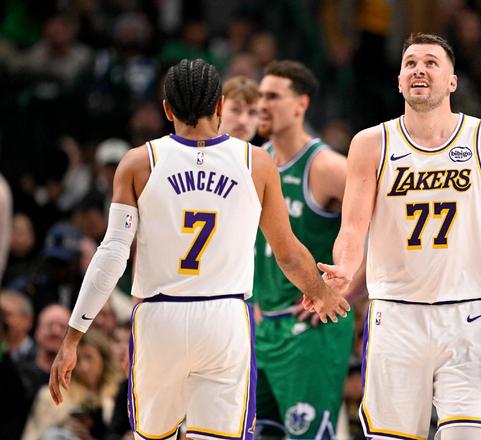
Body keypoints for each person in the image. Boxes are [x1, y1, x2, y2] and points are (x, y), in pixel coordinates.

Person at [48, 58, 349, 440]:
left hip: (159, 318)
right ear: (220, 105)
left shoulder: (138, 162)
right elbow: (287, 252)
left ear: (167, 109)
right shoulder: (256, 162)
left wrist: (73, 336)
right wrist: (320, 291)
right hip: (225, 320)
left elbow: (111, 255)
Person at [315, 33, 481, 440]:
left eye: (431, 62)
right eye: (411, 63)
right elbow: (353, 228)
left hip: (467, 313)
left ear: (452, 81)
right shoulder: (371, 143)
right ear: (399, 81)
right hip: (395, 315)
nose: (419, 69)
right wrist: (343, 268)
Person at [252, 60, 354, 439]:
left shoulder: (326, 167)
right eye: (260, 96)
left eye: (273, 96)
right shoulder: (255, 163)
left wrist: (347, 288)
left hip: (311, 327)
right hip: (263, 324)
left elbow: (382, 225)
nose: (262, 105)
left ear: (301, 104)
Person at [219, 75, 260, 142]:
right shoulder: (200, 147)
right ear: (218, 109)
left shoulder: (267, 148)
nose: (243, 121)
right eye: (235, 110)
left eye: (252, 112)